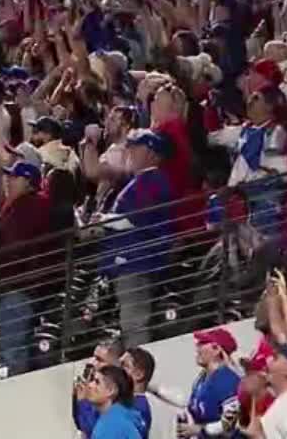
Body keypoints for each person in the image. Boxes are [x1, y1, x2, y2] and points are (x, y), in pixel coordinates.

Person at [100, 129, 175, 347]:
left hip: (137, 262)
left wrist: (104, 220)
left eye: (136, 147)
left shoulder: (153, 179)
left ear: (152, 153)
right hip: (127, 263)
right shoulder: (139, 180)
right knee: (126, 325)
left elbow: (138, 219)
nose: (130, 152)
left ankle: (137, 370)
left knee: (134, 325)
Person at [151, 327, 244, 436]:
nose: (197, 347)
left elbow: (230, 421)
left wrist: (199, 430)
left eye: (202, 343)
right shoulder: (202, 378)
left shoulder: (227, 379)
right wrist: (152, 388)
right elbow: (186, 401)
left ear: (217, 350)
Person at [80, 363, 146, 439]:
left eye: (97, 382)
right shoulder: (121, 418)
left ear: (111, 390)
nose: (90, 385)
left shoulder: (111, 425)